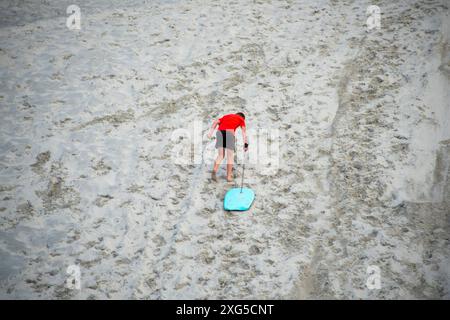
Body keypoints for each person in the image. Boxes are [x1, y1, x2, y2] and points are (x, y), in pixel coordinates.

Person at [207, 112, 248, 182]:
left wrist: (210, 133)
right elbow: (243, 132)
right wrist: (246, 144)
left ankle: (214, 170)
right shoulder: (241, 119)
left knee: (221, 155)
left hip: (220, 132)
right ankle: (228, 177)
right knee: (230, 156)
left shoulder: (226, 116)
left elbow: (216, 122)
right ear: (242, 117)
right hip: (230, 132)